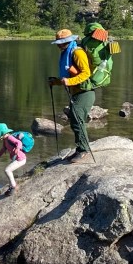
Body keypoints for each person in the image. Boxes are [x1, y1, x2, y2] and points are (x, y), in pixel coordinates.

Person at [48, 28, 94, 163]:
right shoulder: (67, 53)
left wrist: (69, 81)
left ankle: (83, 149)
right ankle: (80, 148)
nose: (58, 45)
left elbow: (86, 74)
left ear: (67, 42)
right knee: (75, 118)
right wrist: (55, 81)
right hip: (77, 92)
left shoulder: (78, 53)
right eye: (57, 42)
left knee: (76, 119)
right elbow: (67, 76)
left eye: (60, 43)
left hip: (86, 92)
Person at [0, 122, 26, 192]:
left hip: (20, 159)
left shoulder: (10, 137)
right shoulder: (5, 139)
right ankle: (11, 186)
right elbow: (3, 149)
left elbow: (19, 143)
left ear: (3, 133)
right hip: (16, 158)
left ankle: (14, 187)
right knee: (8, 171)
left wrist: (17, 148)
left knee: (7, 170)